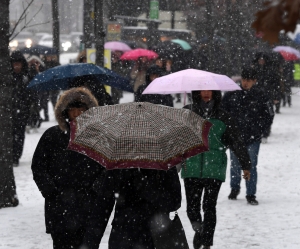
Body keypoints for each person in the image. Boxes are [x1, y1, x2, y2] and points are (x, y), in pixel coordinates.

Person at [32, 87, 104, 249]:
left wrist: (96, 189)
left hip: (89, 206)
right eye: (73, 110)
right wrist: (51, 191)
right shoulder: (52, 136)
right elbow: (39, 166)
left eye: (82, 109)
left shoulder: (98, 137)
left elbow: (107, 167)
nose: (77, 114)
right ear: (65, 112)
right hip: (59, 207)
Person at [182, 90, 251, 249]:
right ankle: (199, 231)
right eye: (203, 90)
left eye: (210, 90)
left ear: (215, 93)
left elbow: (236, 141)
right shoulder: (187, 113)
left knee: (209, 206)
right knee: (192, 209)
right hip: (191, 167)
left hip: (214, 168)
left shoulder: (224, 116)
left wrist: (245, 165)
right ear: (197, 92)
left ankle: (206, 242)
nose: (206, 93)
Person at [83, 166, 182, 249]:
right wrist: (91, 243)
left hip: (152, 238)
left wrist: (146, 187)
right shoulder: (120, 164)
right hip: (123, 237)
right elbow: (102, 206)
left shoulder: (163, 166)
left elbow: (175, 202)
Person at [222, 66, 273, 205]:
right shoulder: (231, 94)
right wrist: (228, 129)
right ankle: (234, 188)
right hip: (235, 137)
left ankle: (250, 193)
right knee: (235, 164)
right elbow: (222, 112)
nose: (246, 83)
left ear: (254, 80)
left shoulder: (261, 96)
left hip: (253, 137)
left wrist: (260, 130)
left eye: (249, 80)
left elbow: (268, 115)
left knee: (251, 165)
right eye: (244, 79)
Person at [11, 50, 30, 167]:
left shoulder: (26, 77)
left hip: (22, 112)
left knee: (19, 135)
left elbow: (31, 96)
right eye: (14, 63)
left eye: (18, 63)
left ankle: (16, 156)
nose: (16, 66)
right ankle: (12, 155)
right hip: (10, 111)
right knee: (12, 134)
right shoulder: (7, 77)